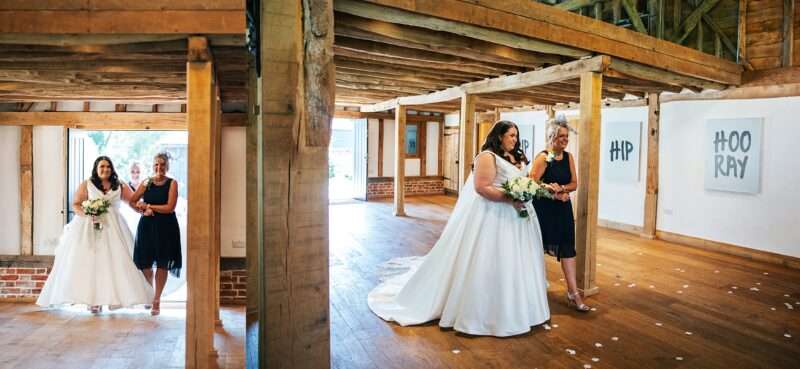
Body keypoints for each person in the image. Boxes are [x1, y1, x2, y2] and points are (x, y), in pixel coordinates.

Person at [368, 120, 550, 337]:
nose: (515, 139)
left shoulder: (517, 157)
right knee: (491, 259)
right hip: (494, 216)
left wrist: (529, 191)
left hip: (518, 220)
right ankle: (486, 312)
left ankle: (521, 307)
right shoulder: (487, 157)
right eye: (511, 135)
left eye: (516, 135)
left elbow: (525, 180)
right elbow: (481, 187)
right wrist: (511, 198)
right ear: (499, 136)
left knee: (516, 261)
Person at [36, 156, 154, 313]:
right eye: (102, 167)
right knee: (92, 262)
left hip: (115, 228)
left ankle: (117, 298)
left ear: (112, 168)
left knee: (118, 261)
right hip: (91, 226)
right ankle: (93, 301)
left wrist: (143, 210)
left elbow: (132, 201)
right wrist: (88, 213)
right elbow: (76, 204)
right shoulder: (87, 184)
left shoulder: (120, 184)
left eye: (108, 167)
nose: (105, 169)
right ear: (96, 169)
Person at [529, 116, 591, 312]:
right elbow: (532, 183)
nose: (565, 139)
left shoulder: (569, 157)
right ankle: (533, 289)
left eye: (566, 136)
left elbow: (575, 183)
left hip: (563, 209)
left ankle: (573, 292)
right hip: (544, 210)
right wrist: (551, 191)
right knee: (537, 248)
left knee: (567, 248)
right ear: (551, 137)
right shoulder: (542, 157)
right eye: (561, 136)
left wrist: (562, 189)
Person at [129, 152, 182, 316]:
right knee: (145, 262)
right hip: (147, 226)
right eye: (156, 165)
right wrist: (141, 210)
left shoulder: (172, 183)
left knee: (162, 263)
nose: (159, 168)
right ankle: (150, 293)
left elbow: (169, 207)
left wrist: (149, 206)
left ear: (167, 167)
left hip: (166, 227)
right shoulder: (146, 182)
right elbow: (132, 200)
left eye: (162, 165)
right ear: (153, 166)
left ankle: (157, 300)